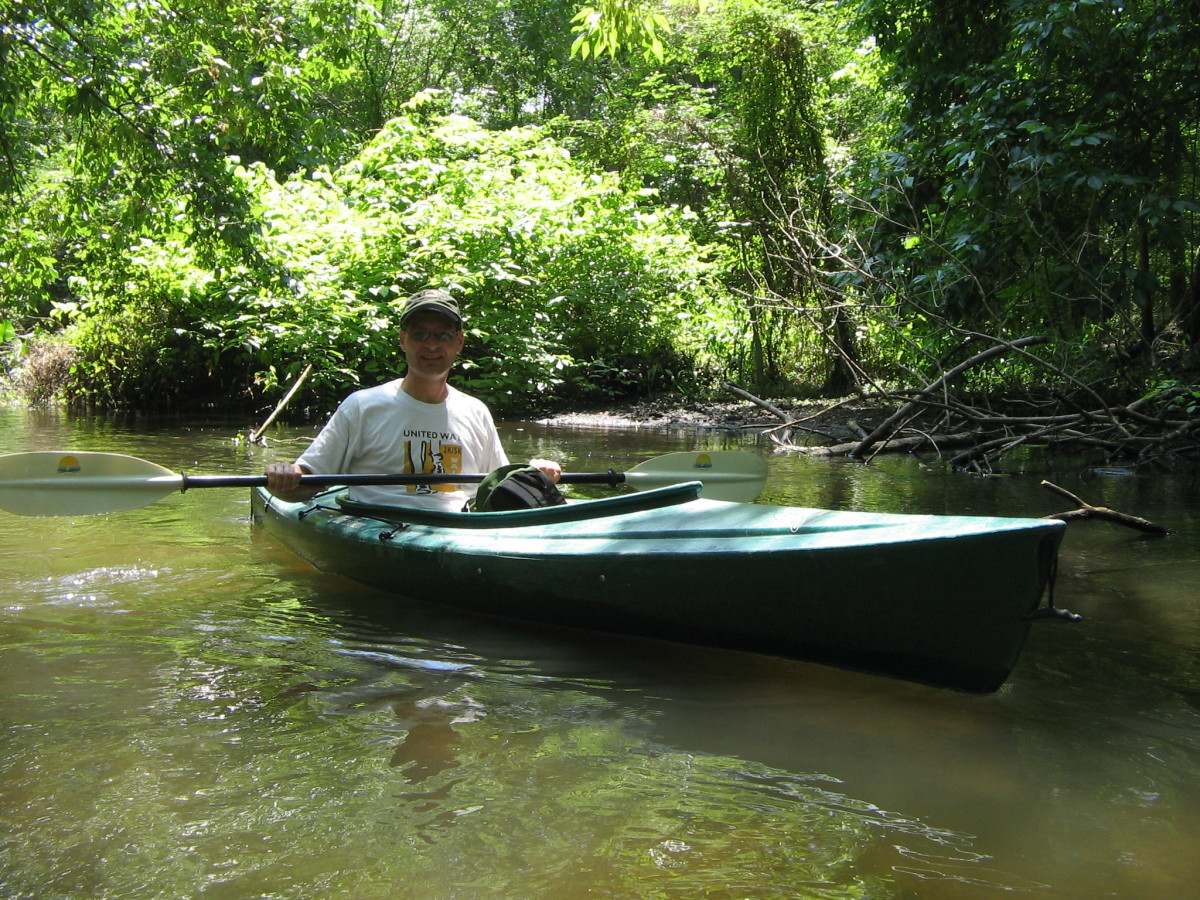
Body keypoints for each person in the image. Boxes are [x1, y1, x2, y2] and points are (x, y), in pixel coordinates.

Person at [265, 288, 560, 511]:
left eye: (443, 336)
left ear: (459, 342)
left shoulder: (476, 411)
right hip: (383, 525)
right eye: (420, 335)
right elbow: (306, 483)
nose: (431, 346)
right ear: (403, 340)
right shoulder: (362, 406)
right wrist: (285, 476)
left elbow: (498, 486)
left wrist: (536, 473)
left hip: (464, 529)